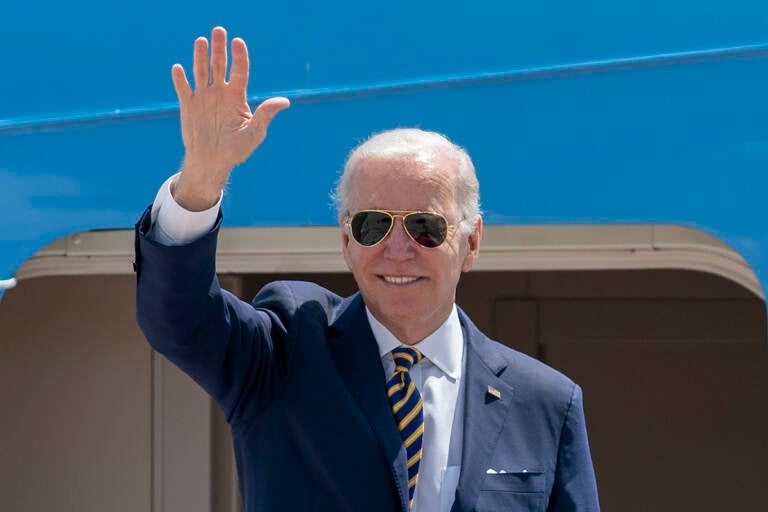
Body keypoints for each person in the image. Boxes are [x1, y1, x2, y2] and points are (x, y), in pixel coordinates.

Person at [135, 26, 600, 512]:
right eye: (373, 225)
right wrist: (203, 177)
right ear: (345, 240)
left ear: (472, 241)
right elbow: (179, 320)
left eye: (425, 226)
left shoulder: (546, 402)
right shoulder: (288, 350)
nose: (397, 250)